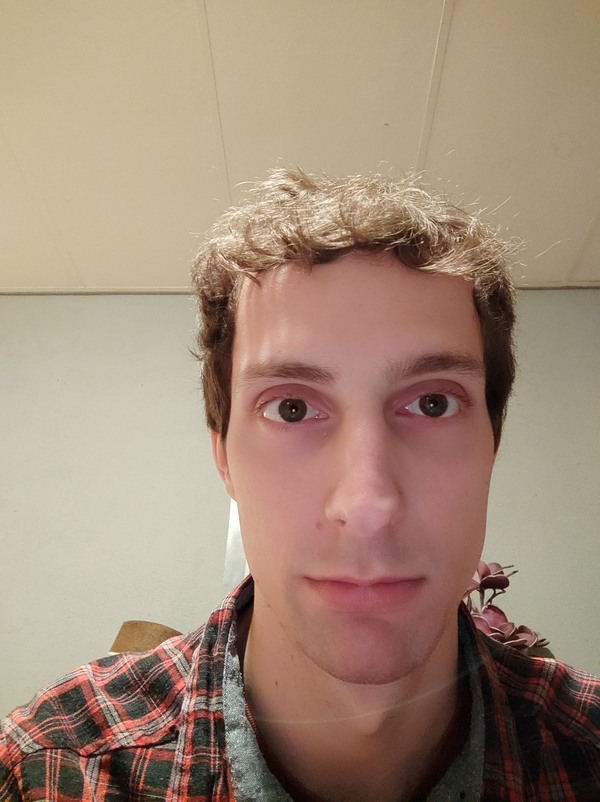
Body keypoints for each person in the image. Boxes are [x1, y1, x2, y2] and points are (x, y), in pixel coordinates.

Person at [1, 168, 599, 801]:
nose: (366, 505)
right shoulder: (52, 771)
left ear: (492, 447)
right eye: (291, 408)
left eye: (432, 404)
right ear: (223, 457)